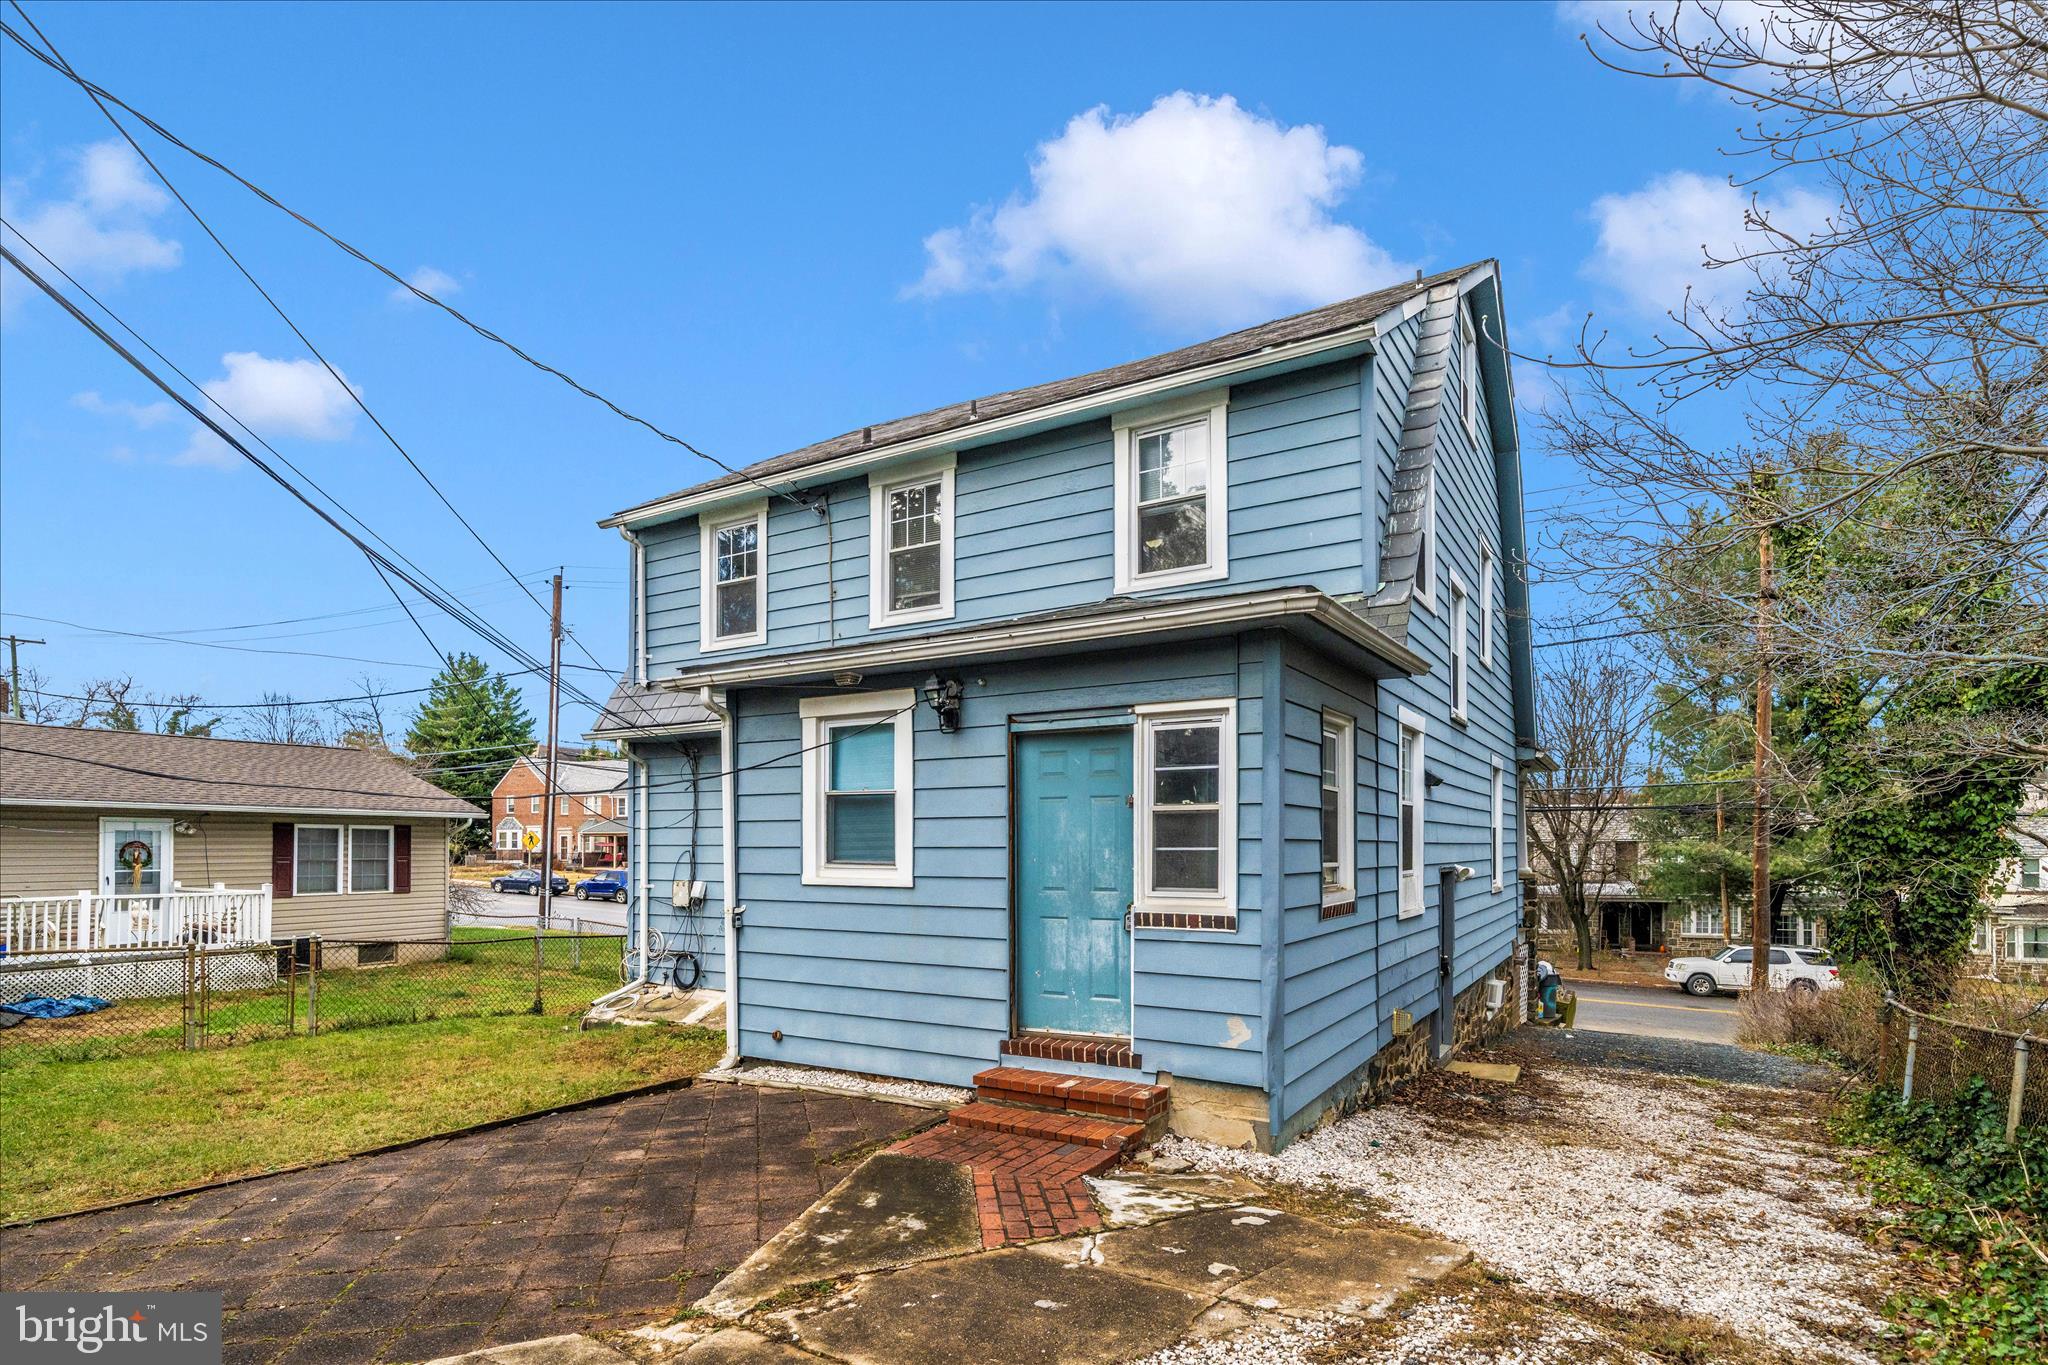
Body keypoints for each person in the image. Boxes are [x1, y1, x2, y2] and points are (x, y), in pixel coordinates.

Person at [1535, 956, 1562, 1023]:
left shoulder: (1543, 968)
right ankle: (1547, 1013)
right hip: (1549, 980)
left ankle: (1547, 1013)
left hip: (1548, 980)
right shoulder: (1548, 969)